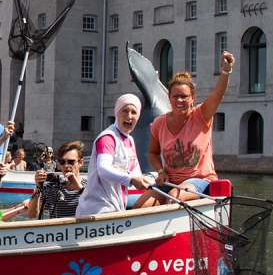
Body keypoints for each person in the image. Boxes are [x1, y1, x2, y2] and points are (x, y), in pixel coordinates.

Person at [134, 52, 236, 208]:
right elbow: (153, 153)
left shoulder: (201, 115)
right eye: (175, 96)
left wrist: (226, 70)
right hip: (170, 180)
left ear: (193, 98)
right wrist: (161, 171)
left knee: (174, 197)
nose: (179, 101)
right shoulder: (159, 123)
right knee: (140, 206)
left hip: (199, 179)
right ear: (169, 97)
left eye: (184, 97)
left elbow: (217, 95)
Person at [77, 94, 153, 216]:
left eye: (134, 112)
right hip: (98, 208)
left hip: (116, 208)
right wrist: (130, 178)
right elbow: (103, 170)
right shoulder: (108, 138)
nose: (129, 116)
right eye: (125, 111)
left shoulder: (130, 140)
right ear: (117, 113)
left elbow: (136, 172)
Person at [28, 141, 87, 219]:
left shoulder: (89, 185)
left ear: (81, 162)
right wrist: (38, 187)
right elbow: (32, 214)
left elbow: (97, 209)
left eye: (71, 162)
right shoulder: (53, 186)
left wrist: (80, 189)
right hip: (58, 230)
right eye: (62, 162)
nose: (66, 165)